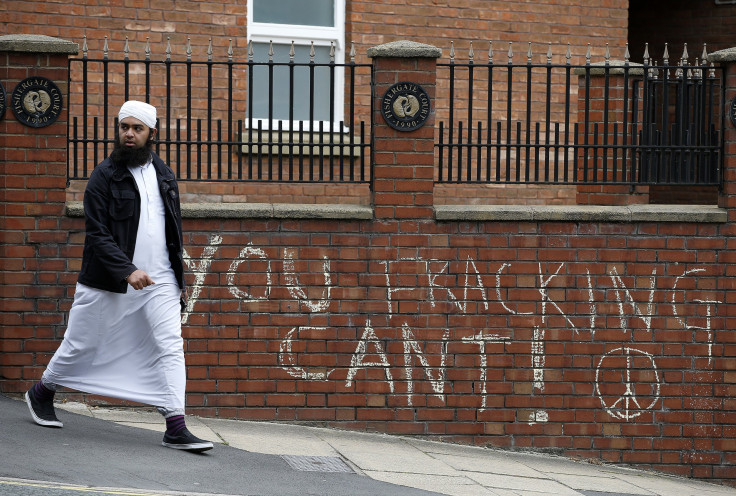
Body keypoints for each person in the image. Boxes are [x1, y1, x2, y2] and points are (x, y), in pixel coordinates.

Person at [25, 100, 213, 453]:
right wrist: (127, 270)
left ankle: (175, 424)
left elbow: (171, 229)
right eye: (124, 127)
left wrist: (177, 279)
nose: (129, 133)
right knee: (82, 342)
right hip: (109, 280)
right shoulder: (103, 176)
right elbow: (97, 234)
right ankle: (42, 390)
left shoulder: (164, 174)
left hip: (160, 279)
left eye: (137, 128)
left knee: (170, 346)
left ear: (151, 134)